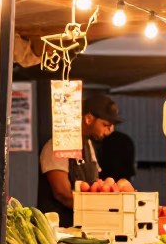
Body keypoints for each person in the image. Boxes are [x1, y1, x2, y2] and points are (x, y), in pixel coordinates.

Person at [38, 93, 120, 228]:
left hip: (83, 226)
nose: (110, 130)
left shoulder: (88, 146)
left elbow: (95, 182)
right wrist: (97, 210)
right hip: (59, 229)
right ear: (88, 119)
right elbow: (62, 193)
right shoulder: (58, 146)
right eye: (106, 124)